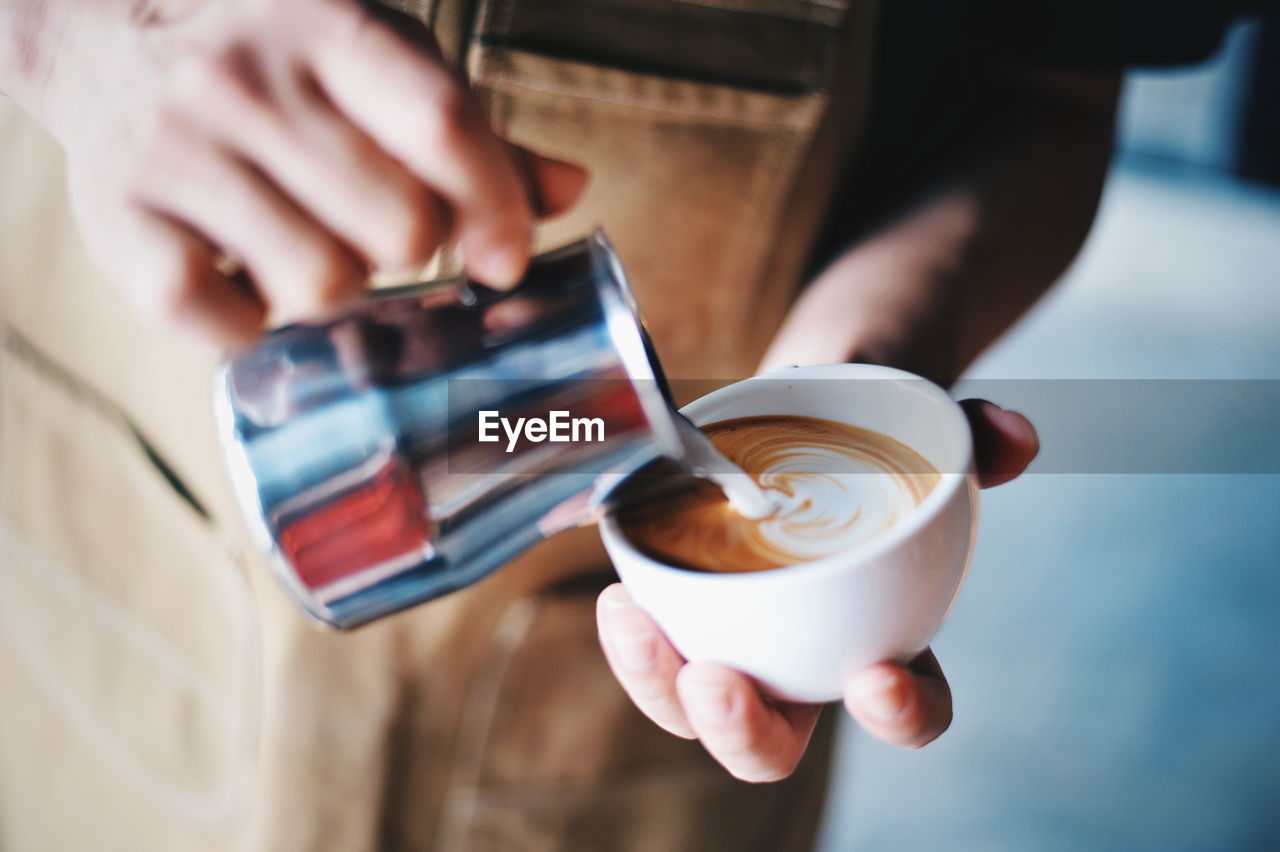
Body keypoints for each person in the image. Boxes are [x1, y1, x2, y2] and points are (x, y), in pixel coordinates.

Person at [1, 0, 1144, 848]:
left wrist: (865, 355)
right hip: (107, 540)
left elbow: (1047, 90)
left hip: (620, 709)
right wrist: (72, 39)